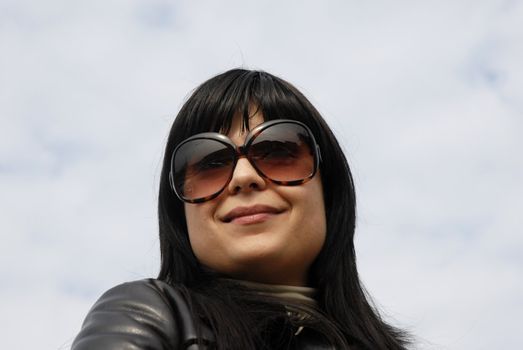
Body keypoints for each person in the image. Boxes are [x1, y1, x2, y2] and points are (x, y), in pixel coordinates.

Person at [72, 69, 410, 349]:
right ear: (181, 215)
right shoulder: (150, 315)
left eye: (278, 152)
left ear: (329, 190)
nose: (244, 177)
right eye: (210, 164)